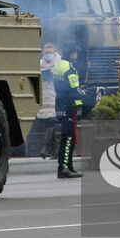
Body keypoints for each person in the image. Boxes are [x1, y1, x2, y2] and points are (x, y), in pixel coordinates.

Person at [52, 48, 84, 178]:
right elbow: (73, 89)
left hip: (60, 104)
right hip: (69, 106)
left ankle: (68, 166)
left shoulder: (58, 65)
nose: (76, 55)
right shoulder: (70, 68)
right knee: (68, 137)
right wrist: (82, 96)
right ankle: (64, 168)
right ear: (72, 53)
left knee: (67, 137)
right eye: (75, 52)